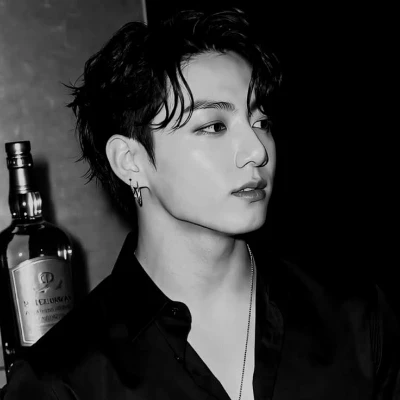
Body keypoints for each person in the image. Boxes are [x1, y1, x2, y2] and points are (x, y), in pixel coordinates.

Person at [1, 7, 399, 400]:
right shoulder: (62, 381)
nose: (257, 150)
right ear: (131, 161)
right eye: (214, 126)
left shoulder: (355, 317)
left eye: (261, 122)